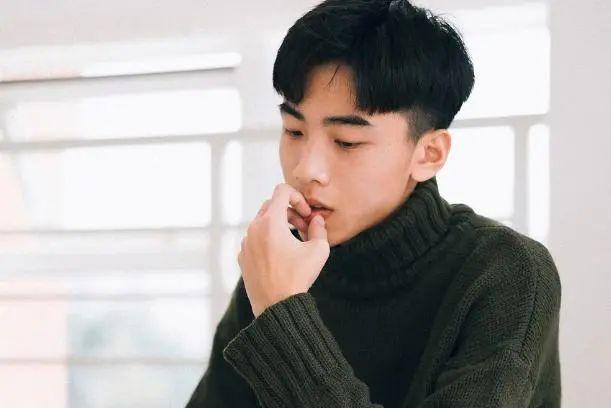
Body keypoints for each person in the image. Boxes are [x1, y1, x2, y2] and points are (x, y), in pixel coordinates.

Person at [186, 0, 562, 406]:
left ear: (429, 154)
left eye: (346, 142)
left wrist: (282, 312)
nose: (306, 169)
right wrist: (277, 301)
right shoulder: (279, 266)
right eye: (293, 131)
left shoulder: (507, 272)